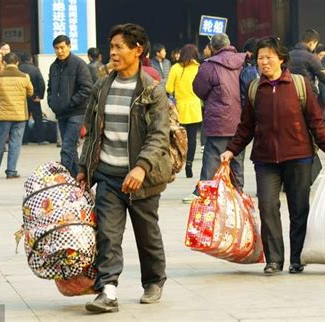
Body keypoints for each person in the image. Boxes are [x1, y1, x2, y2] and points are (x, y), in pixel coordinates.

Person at [220, 37, 325, 274]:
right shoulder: (256, 88)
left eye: (268, 57)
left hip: (299, 156)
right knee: (267, 207)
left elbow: (315, 121)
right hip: (265, 159)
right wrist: (231, 150)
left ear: (281, 59)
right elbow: (246, 126)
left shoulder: (299, 84)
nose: (263, 62)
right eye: (259, 58)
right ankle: (274, 259)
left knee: (299, 209)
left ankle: (297, 258)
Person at [78, 23, 172, 313]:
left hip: (142, 179)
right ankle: (108, 290)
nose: (114, 52)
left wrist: (142, 167)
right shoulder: (101, 86)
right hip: (108, 175)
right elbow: (93, 131)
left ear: (137, 50)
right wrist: (84, 168)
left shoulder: (152, 91)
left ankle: (154, 281)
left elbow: (159, 134)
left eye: (120, 47)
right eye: (112, 47)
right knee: (108, 234)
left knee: (147, 234)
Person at [182, 33, 246, 203]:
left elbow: (198, 89)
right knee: (237, 158)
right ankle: (238, 193)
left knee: (212, 158)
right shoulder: (242, 62)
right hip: (240, 120)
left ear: (212, 48)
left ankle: (202, 192)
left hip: (219, 120)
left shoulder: (209, 65)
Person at [0, 53, 33, 179]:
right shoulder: (24, 76)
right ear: (17, 63)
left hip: (2, 116)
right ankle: (11, 172)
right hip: (20, 115)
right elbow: (30, 92)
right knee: (15, 144)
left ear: (4, 63)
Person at [47, 35, 92, 177]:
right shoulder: (54, 66)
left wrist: (70, 102)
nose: (60, 51)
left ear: (69, 46)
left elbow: (87, 88)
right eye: (56, 48)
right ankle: (78, 179)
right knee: (71, 148)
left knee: (66, 147)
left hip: (77, 112)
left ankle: (63, 179)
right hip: (61, 113)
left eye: (62, 47)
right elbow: (50, 88)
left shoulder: (79, 64)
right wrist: (52, 102)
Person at [165, 44, 203, 178]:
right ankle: (189, 164)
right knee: (192, 138)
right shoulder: (198, 68)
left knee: (179, 137)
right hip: (194, 107)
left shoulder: (175, 68)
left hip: (179, 107)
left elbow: (169, 88)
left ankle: (178, 162)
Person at [288, 29, 325, 97]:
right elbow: (322, 75)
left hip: (291, 92)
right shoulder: (311, 57)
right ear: (312, 43)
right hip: (307, 93)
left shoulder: (288, 55)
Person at [18, 52, 47, 145]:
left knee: (23, 119)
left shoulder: (18, 69)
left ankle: (24, 140)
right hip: (34, 97)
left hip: (21, 98)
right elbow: (41, 83)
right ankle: (40, 139)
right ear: (31, 59)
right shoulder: (35, 69)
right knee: (38, 118)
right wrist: (40, 96)